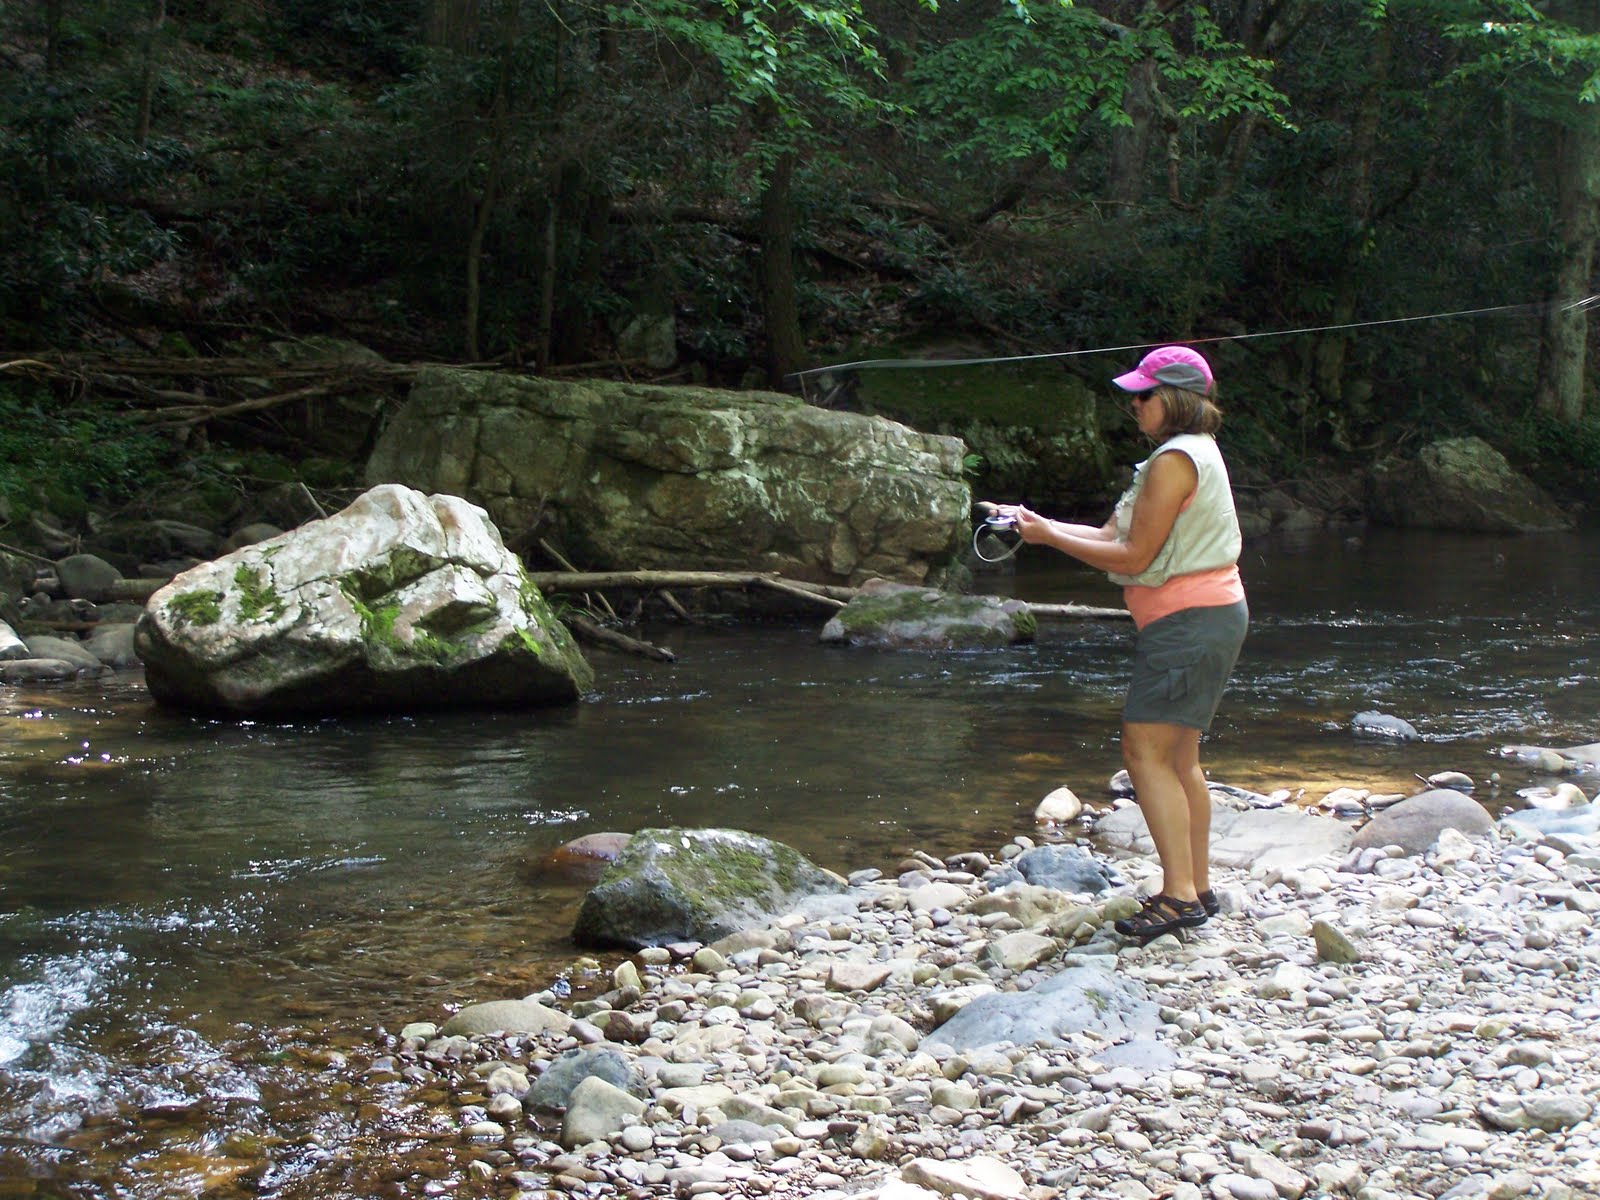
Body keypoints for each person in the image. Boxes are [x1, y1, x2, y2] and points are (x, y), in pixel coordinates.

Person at [991, 344, 1248, 942]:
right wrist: (1036, 525)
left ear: (1176, 400)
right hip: (1204, 617)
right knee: (1179, 758)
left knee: (1144, 751)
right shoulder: (1186, 454)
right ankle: (1197, 888)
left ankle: (1179, 895)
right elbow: (1112, 533)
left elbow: (1135, 556)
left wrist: (1051, 539)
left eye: (1144, 395)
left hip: (1190, 622)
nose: (1133, 405)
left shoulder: (1174, 460)